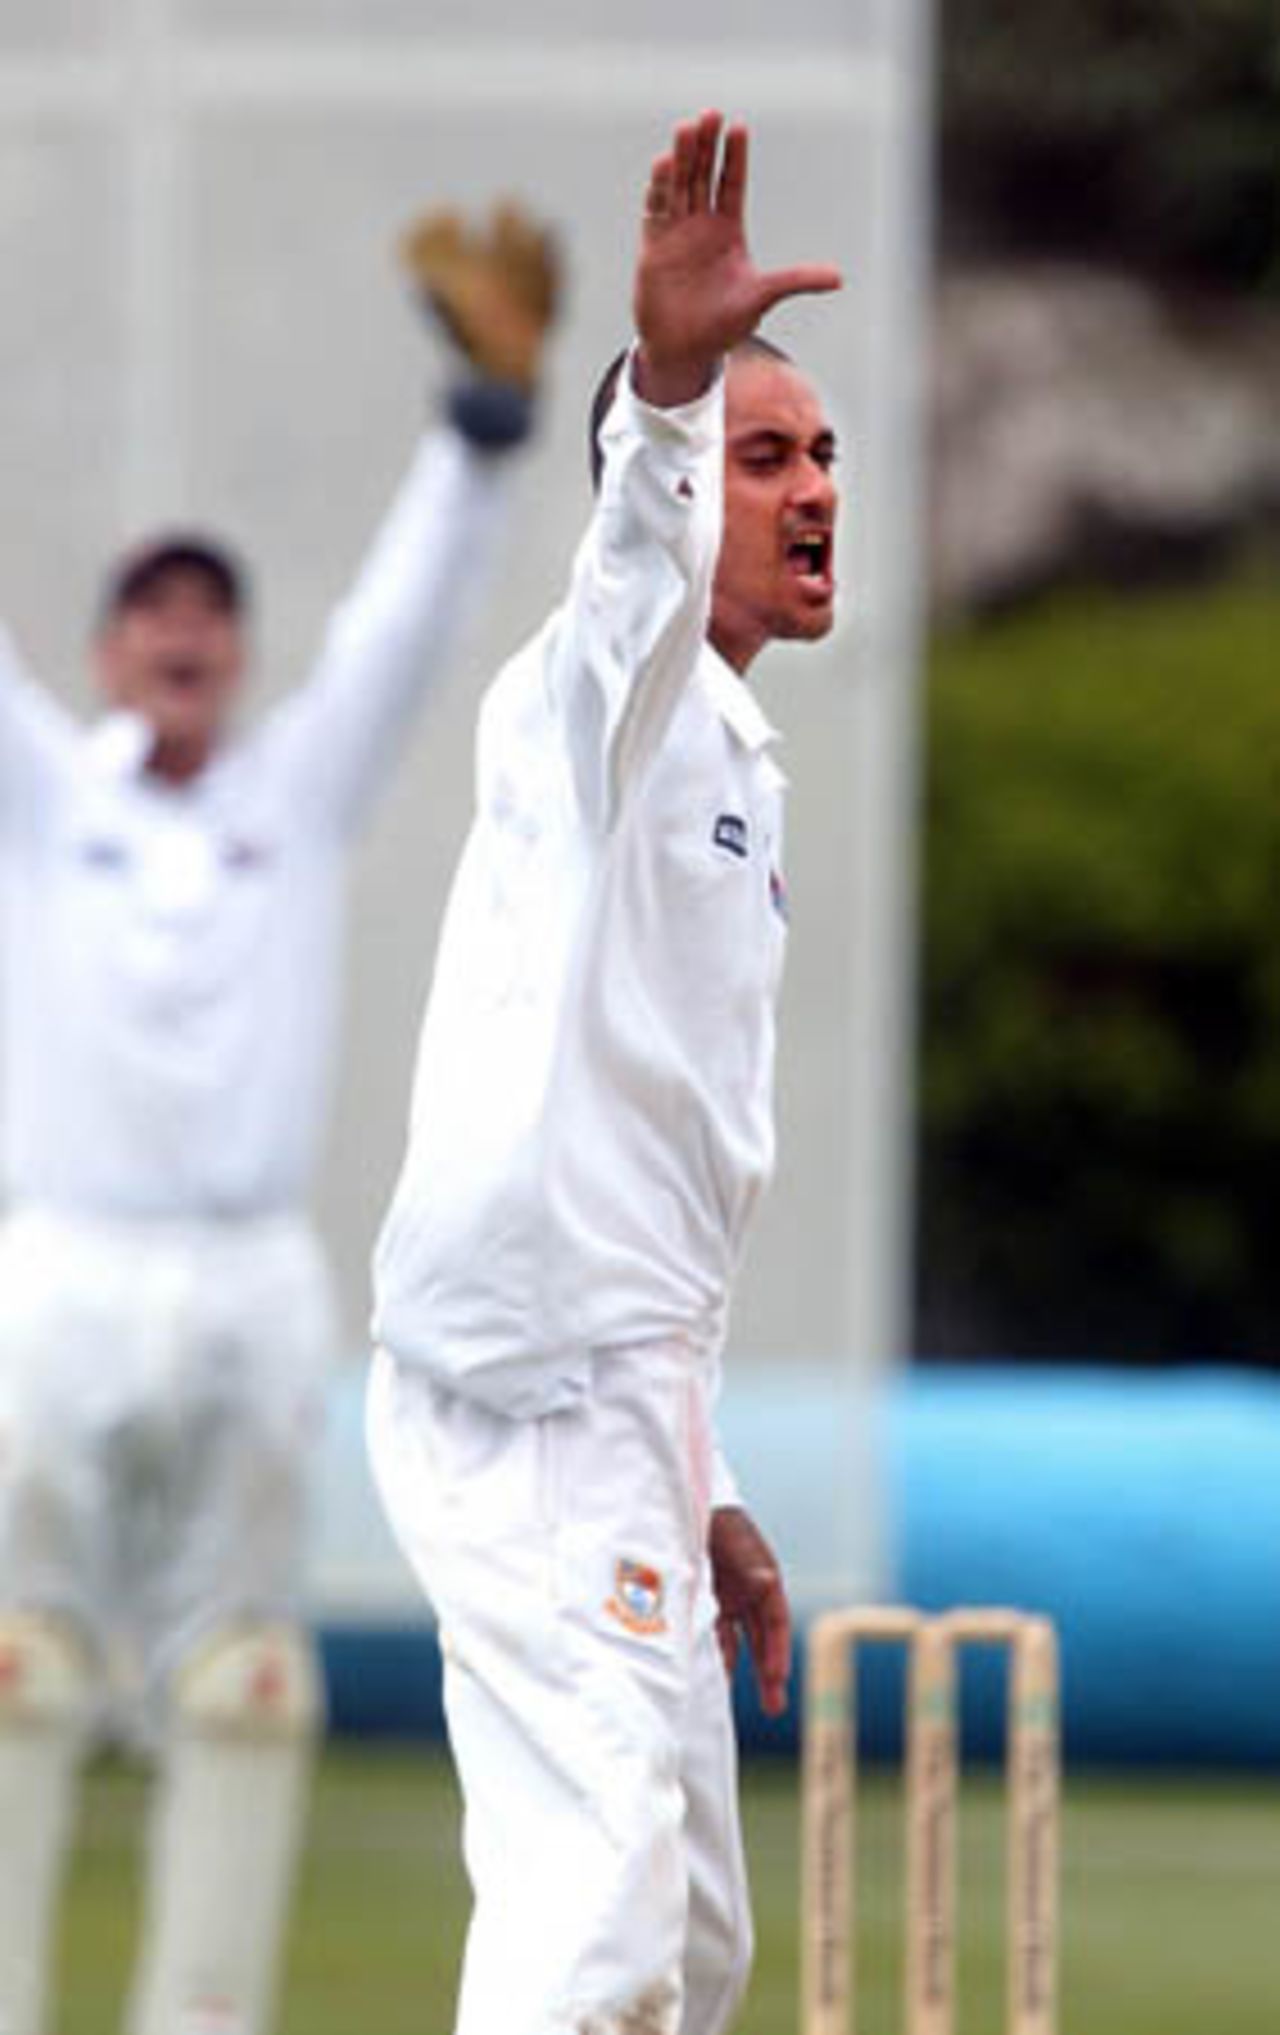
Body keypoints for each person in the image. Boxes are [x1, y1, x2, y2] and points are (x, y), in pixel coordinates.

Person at [0, 201, 559, 2035]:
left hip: (248, 1274)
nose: (183, 638)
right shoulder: (40, 808)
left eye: (209, 616)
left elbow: (405, 628)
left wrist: (478, 434)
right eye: (151, 613)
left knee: (246, 1678)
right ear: (103, 651)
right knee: (18, 1668)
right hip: (59, 1269)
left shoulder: (295, 800)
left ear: (234, 654)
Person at [367, 110, 841, 2035]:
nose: (815, 491)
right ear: (663, 498)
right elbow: (624, 595)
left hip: (624, 1400)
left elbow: (654, 1168)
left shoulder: (735, 763)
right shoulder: (600, 705)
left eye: (822, 456)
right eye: (766, 458)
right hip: (538, 1384)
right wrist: (660, 381)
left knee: (690, 1947)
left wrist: (704, 1477)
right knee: (601, 1925)